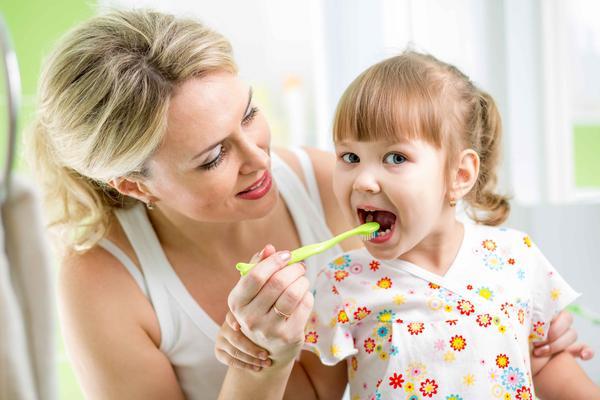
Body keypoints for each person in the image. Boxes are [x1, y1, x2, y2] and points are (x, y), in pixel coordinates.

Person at [26, 9, 586, 399]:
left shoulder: (335, 184)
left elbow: (451, 263)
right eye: (214, 156)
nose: (259, 158)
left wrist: (518, 324)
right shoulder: (103, 281)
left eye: (249, 113)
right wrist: (265, 355)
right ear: (136, 186)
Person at [220, 52, 600, 399]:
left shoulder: (515, 257)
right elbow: (317, 392)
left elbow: (547, 366)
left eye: (395, 157)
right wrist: (270, 348)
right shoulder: (341, 283)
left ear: (459, 174)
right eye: (350, 156)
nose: (364, 181)